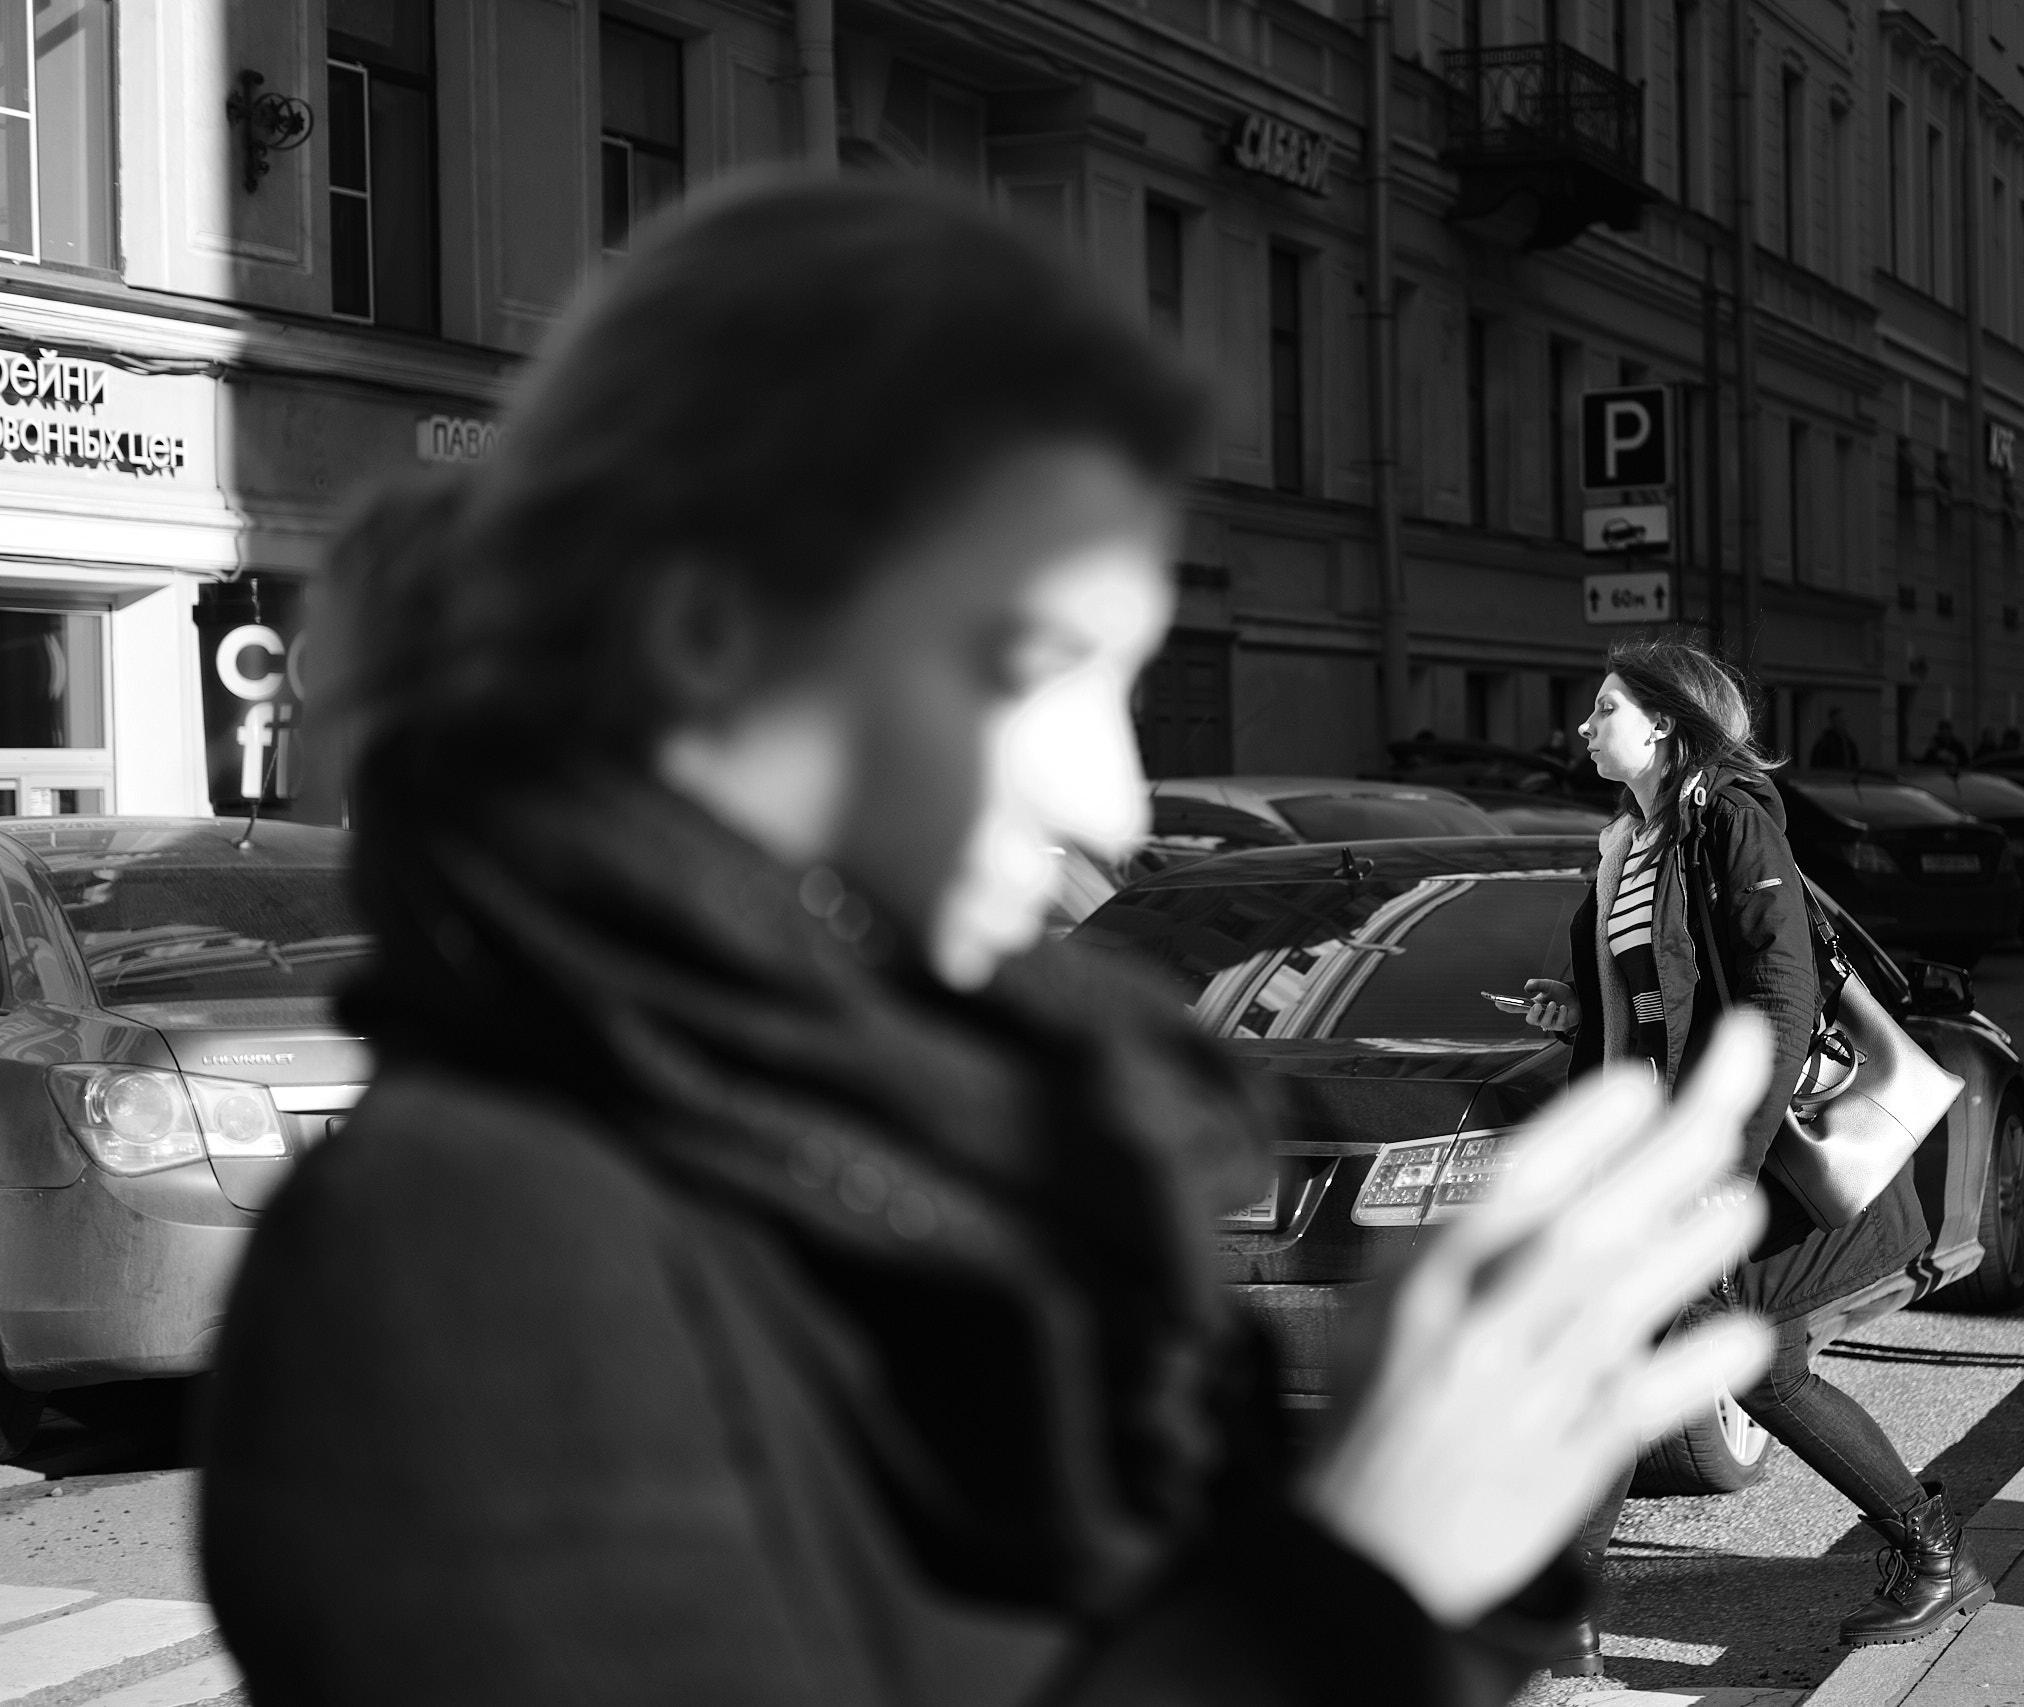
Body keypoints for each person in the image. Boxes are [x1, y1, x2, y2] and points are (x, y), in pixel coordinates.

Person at [197, 178, 1779, 1706]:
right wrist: (1358, 1577)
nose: (1103, 792)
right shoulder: (458, 1248)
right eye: (1031, 664)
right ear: (710, 634)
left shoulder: (1020, 1134)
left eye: (1126, 682)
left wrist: (1467, 1537)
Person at [1518, 636, 1989, 1657]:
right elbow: (1654, 1003)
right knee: (1752, 1368)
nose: (1585, 726)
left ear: (1663, 723)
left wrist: (1721, 1161)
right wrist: (1574, 1008)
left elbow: (1782, 998)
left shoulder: (1728, 822)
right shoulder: (1623, 847)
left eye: (1604, 708)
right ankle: (1931, 1551)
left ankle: (1561, 1625)